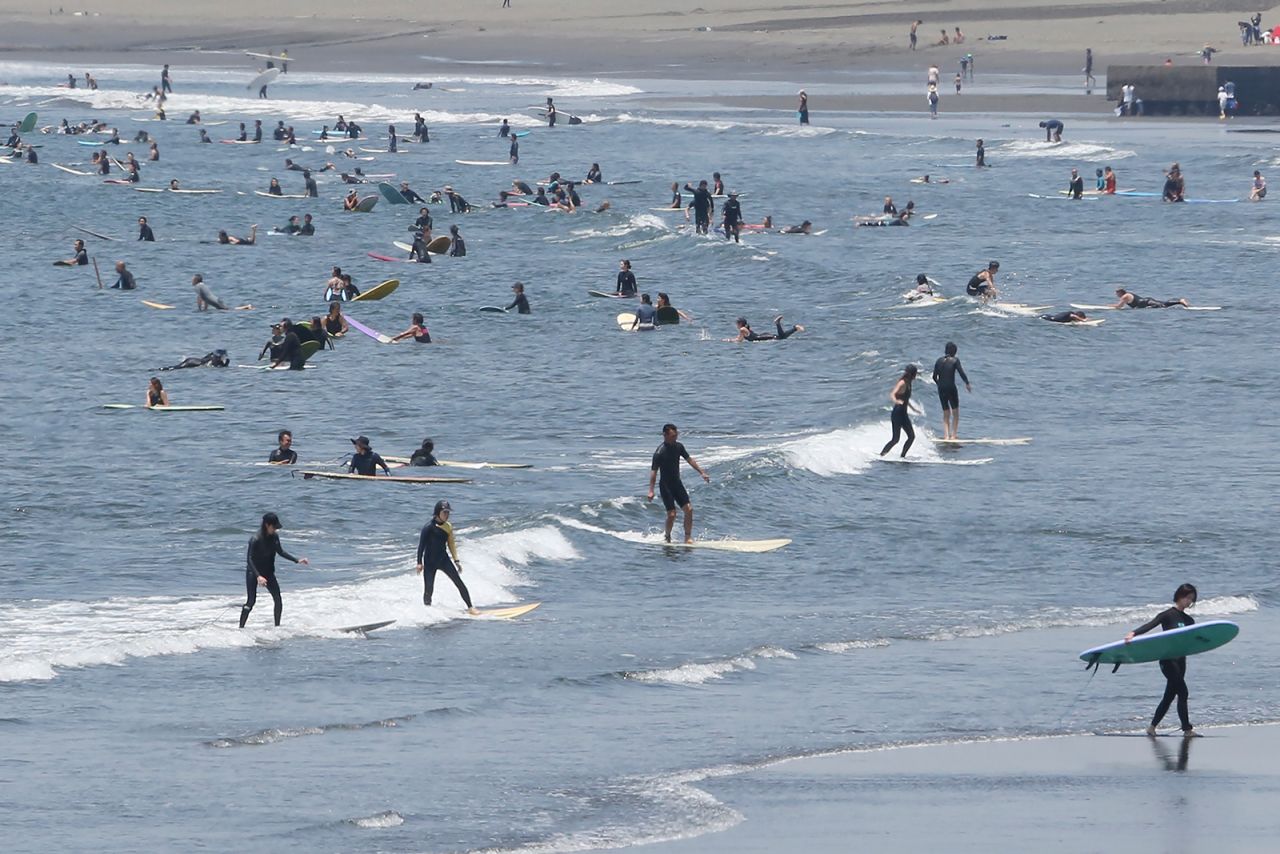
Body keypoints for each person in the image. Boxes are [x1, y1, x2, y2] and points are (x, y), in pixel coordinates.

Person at [1125, 584, 1201, 737]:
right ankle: (1187, 729)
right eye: (1187, 598)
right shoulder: (1167, 615)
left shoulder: (1189, 620)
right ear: (1179, 596)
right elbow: (1150, 625)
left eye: (1191, 600)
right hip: (1167, 660)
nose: (1189, 602)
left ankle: (1152, 728)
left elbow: (1191, 640)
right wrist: (1133, 633)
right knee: (1183, 692)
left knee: (1170, 696)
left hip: (1181, 661)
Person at [239, 512, 309, 628]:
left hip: (268, 572)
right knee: (251, 602)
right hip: (254, 572)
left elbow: (280, 552)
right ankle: (241, 628)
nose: (275, 530)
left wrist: (297, 560)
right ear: (267, 525)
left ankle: (277, 627)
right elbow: (249, 560)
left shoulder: (274, 537)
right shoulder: (255, 539)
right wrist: (258, 576)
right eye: (274, 527)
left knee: (278, 599)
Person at [647, 424, 711, 544]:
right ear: (665, 435)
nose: (675, 438)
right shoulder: (659, 453)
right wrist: (651, 490)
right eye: (672, 436)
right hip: (665, 486)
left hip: (677, 483)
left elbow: (689, 460)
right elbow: (653, 473)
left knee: (689, 510)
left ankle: (687, 537)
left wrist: (702, 472)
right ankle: (667, 536)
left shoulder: (679, 447)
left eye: (676, 436)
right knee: (672, 515)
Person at [417, 500, 479, 614]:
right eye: (444, 512)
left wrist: (456, 560)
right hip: (430, 562)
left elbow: (451, 544)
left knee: (458, 582)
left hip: (443, 560)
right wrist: (419, 563)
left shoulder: (448, 526)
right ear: (437, 513)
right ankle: (427, 612)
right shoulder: (428, 528)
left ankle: (471, 607)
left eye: (448, 513)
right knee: (429, 589)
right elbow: (421, 546)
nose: (447, 515)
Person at [879, 365, 922, 458]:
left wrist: (914, 409)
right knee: (895, 439)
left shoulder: (909, 383)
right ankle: (882, 455)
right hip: (897, 413)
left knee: (911, 436)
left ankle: (902, 456)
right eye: (915, 374)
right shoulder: (902, 383)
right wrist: (896, 401)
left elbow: (906, 399)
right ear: (912, 374)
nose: (916, 376)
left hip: (904, 414)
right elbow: (892, 394)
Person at [932, 342, 972, 440]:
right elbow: (961, 372)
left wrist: (940, 385)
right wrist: (967, 383)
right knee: (955, 412)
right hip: (951, 387)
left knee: (946, 412)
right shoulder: (955, 360)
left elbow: (934, 377)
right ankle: (953, 436)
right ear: (954, 351)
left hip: (941, 388)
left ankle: (946, 436)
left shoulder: (938, 361)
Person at [733, 315, 803, 341]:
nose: (736, 325)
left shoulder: (742, 329)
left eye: (737, 323)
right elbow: (738, 338)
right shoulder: (744, 329)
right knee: (782, 337)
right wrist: (728, 340)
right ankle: (794, 328)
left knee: (782, 338)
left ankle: (779, 324)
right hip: (763, 336)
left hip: (763, 337)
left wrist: (729, 341)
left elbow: (739, 340)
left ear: (740, 324)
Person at [1112, 288, 1190, 309]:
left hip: (1147, 302)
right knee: (1163, 303)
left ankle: (1180, 301)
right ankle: (1179, 301)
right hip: (1146, 302)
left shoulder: (1125, 296)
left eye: (1117, 293)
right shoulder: (1126, 295)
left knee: (1163, 305)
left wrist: (1109, 306)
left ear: (1120, 292)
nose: (1116, 295)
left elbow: (1120, 306)